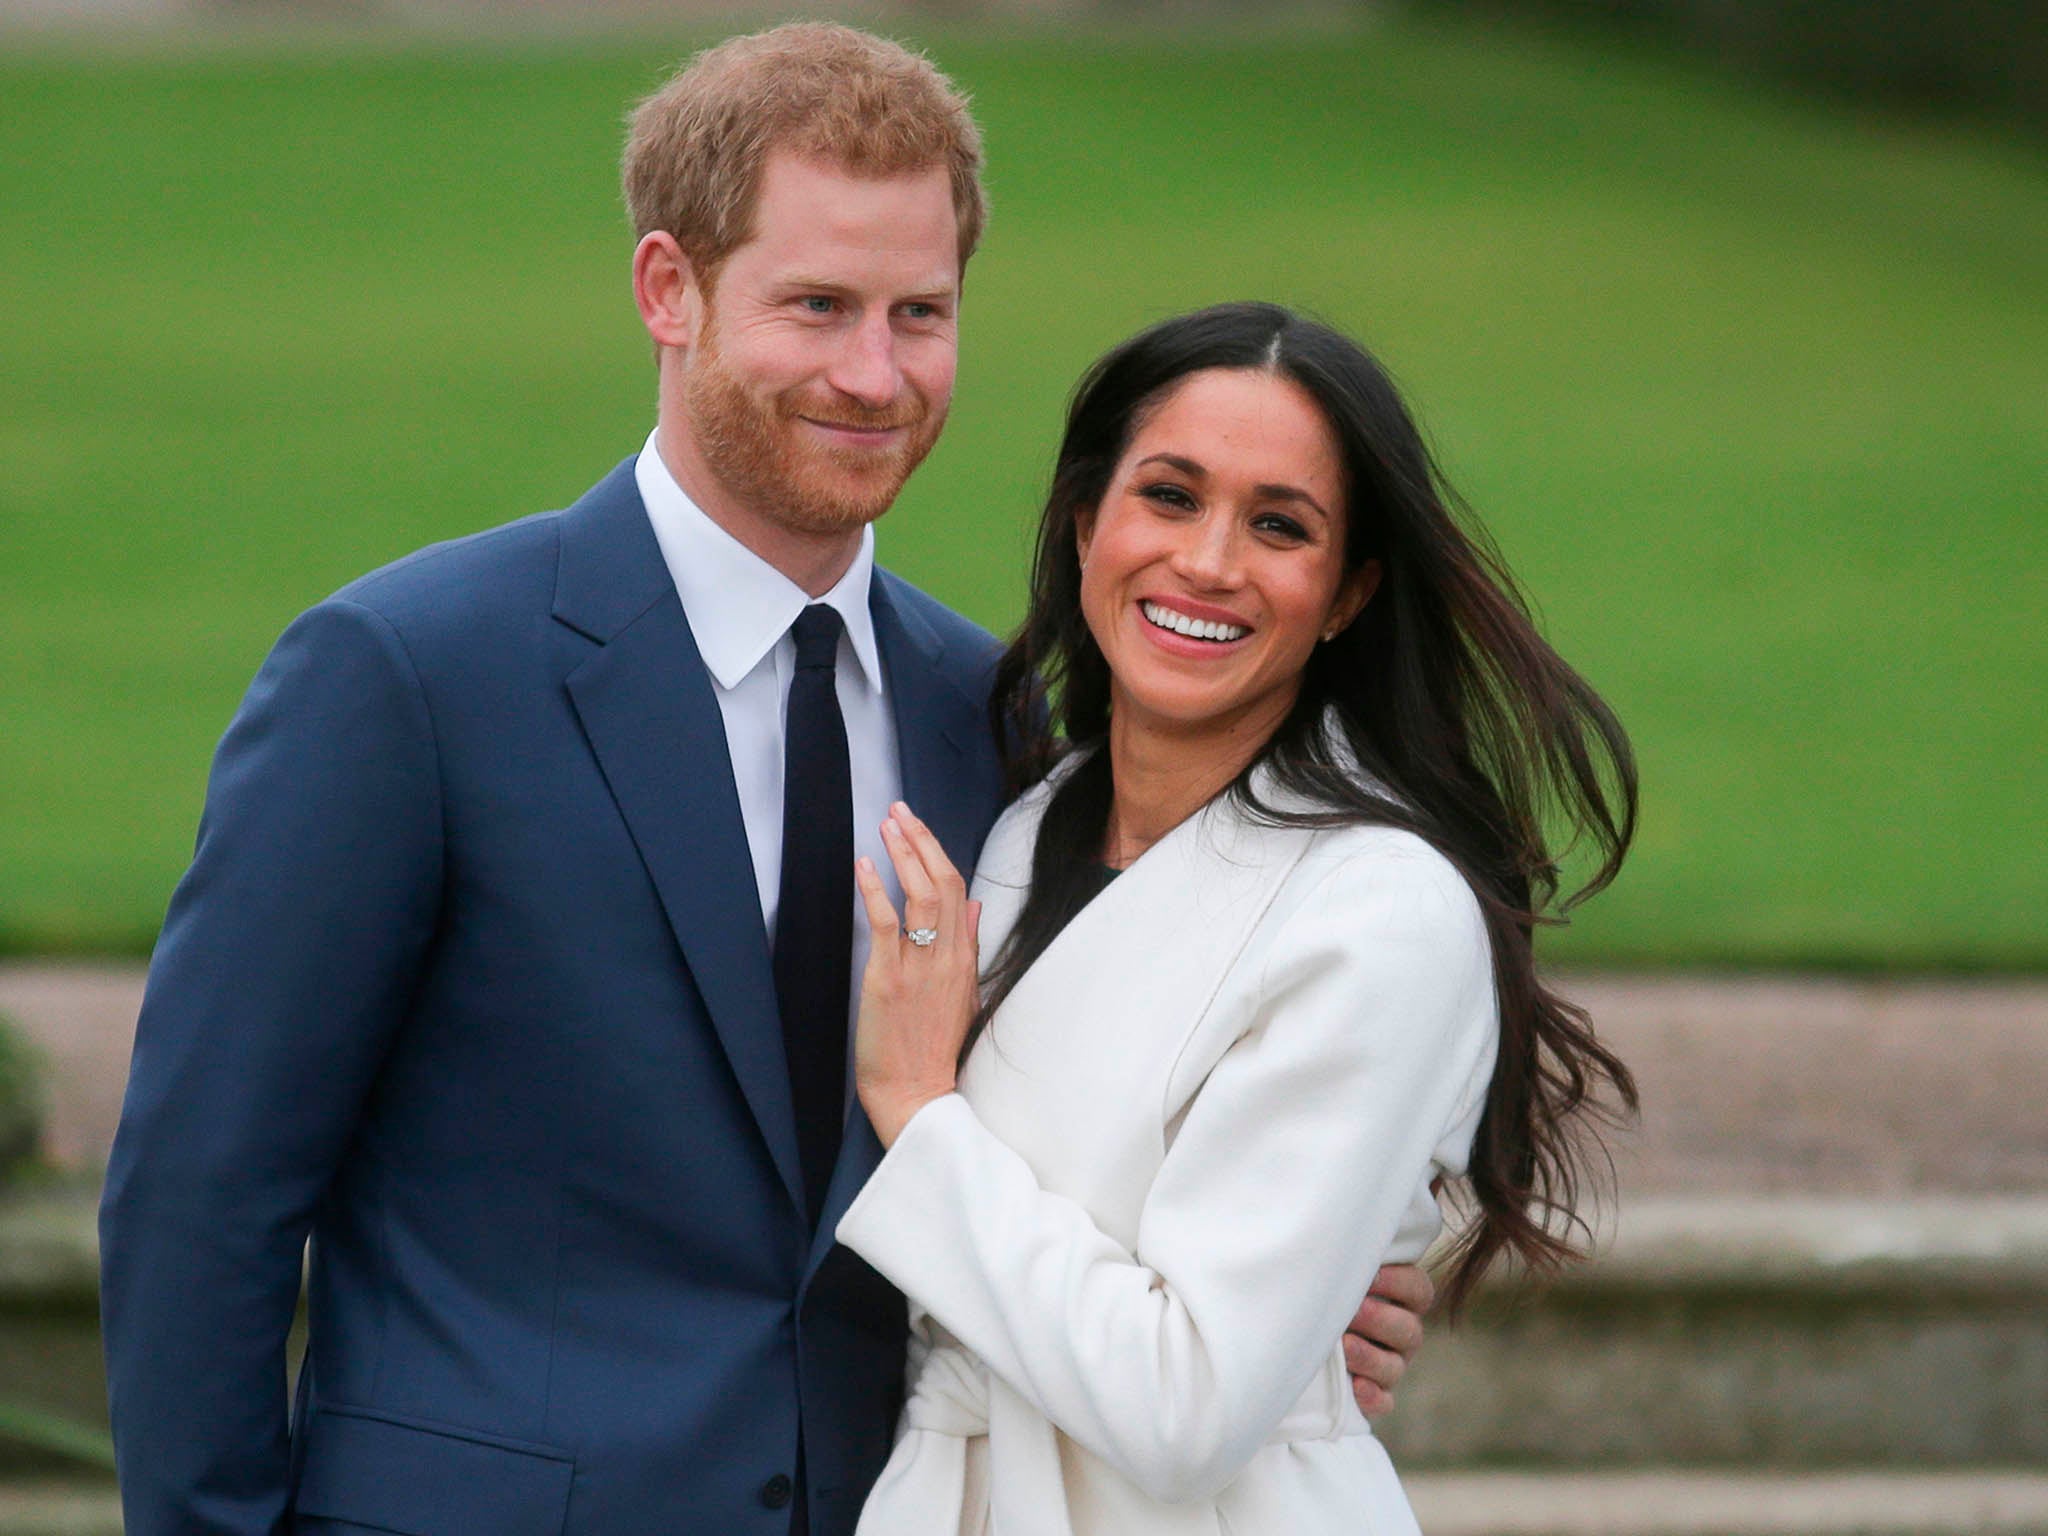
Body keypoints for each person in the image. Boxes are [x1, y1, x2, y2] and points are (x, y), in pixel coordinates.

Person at [96, 29, 1427, 1536]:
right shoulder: (405, 678)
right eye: (819, 307)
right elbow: (203, 1202)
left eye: (921, 313)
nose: (876, 374)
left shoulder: (992, 719)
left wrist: (1296, 1297)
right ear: (670, 290)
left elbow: (1059, 1121)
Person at [838, 302, 1640, 1534]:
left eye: (1279, 526)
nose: (1209, 562)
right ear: (1084, 521)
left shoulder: (1377, 913)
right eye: (1168, 495)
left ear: (1344, 595)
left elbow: (1186, 1406)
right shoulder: (1018, 825)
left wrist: (917, 1113)